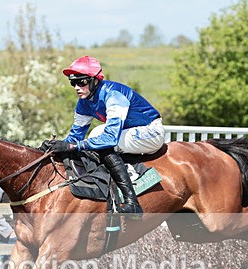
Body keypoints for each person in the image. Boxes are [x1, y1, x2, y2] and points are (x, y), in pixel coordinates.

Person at [40, 56, 165, 216]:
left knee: (102, 140)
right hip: (128, 133)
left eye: (82, 82)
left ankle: (132, 202)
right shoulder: (83, 103)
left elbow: (109, 138)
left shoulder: (113, 95)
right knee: (96, 134)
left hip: (150, 132)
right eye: (73, 83)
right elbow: (74, 138)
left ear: (95, 80)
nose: (77, 87)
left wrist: (74, 146)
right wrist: (53, 148)